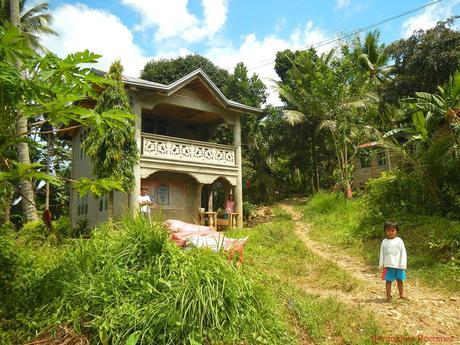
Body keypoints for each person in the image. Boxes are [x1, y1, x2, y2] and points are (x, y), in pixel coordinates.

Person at [379, 221, 407, 301]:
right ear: (385, 231)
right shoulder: (384, 242)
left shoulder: (399, 241)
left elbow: (403, 253)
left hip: (399, 265)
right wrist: (381, 264)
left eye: (392, 230)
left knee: (400, 280)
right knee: (388, 281)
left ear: (396, 231)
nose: (390, 232)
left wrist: (403, 264)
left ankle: (401, 294)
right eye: (388, 230)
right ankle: (388, 295)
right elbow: (382, 254)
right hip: (388, 265)